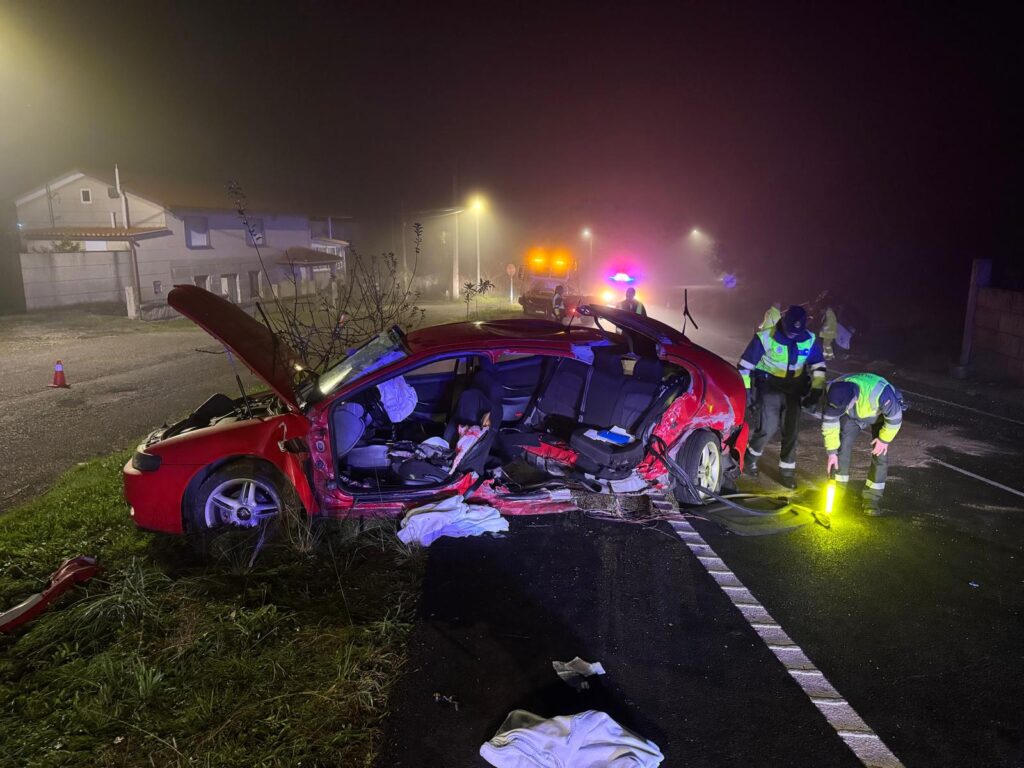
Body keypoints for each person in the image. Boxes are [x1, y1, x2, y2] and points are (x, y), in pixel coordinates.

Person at [737, 305, 826, 488]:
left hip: (793, 389)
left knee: (791, 431)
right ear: (783, 322)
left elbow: (818, 366)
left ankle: (787, 471)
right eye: (789, 331)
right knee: (768, 427)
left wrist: (815, 393)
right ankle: (750, 459)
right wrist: (747, 393)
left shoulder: (809, 339)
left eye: (796, 332)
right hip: (769, 386)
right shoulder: (765, 337)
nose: (792, 335)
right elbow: (744, 366)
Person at [822, 373, 904, 515]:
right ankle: (837, 494)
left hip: (878, 415)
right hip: (853, 415)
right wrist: (831, 452)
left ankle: (872, 498)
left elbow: (895, 418)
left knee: (880, 455)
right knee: (841, 449)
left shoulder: (881, 394)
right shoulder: (833, 391)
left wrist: (884, 440)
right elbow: (830, 422)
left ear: (853, 400)